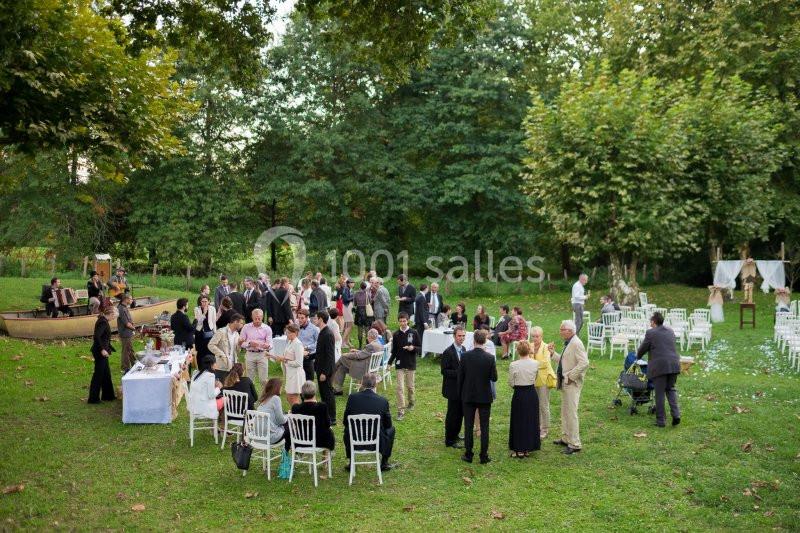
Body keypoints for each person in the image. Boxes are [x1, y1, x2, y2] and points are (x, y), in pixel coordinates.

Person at [549, 319, 589, 455]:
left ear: (570, 331)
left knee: (571, 413)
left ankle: (575, 443)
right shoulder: (569, 342)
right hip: (565, 382)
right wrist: (553, 354)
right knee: (565, 411)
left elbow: (584, 363)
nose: (560, 332)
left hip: (571, 383)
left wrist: (571, 376)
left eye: (562, 329)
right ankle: (566, 438)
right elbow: (565, 360)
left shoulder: (576, 343)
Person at [342, 373, 396, 472]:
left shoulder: (352, 398)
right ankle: (384, 462)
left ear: (362, 383)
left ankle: (351, 461)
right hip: (376, 441)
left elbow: (345, 421)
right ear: (375, 385)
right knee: (391, 430)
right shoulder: (382, 401)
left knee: (347, 429)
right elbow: (388, 425)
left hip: (355, 439)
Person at [458, 330, 497, 464]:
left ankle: (468, 454)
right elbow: (494, 378)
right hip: (484, 396)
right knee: (484, 427)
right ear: (484, 341)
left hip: (468, 395)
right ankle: (483, 455)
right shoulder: (490, 358)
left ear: (474, 341)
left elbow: (460, 378)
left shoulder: (465, 356)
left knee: (468, 426)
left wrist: (460, 394)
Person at [636, 312, 682, 428]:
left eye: (650, 322)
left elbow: (643, 348)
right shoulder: (670, 331)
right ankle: (676, 415)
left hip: (660, 366)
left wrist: (637, 357)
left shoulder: (651, 333)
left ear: (653, 322)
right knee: (671, 389)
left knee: (660, 393)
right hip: (674, 364)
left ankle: (661, 421)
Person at [508, 341, 541, 457]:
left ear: (517, 350)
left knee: (518, 420)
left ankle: (519, 448)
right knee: (530, 420)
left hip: (519, 394)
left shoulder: (513, 365)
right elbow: (535, 378)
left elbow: (511, 382)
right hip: (531, 393)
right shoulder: (536, 363)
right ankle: (528, 447)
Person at [388, 313, 421, 421]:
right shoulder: (396, 334)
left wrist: (413, 348)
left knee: (410, 387)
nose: (402, 323)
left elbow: (420, 348)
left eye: (404, 321)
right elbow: (394, 351)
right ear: (398, 322)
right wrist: (389, 363)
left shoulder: (414, 332)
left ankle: (411, 401)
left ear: (408, 321)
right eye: (400, 321)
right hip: (399, 364)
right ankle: (400, 410)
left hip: (410, 363)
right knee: (400, 388)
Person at [332, 328, 382, 394]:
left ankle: (332, 370)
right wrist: (357, 351)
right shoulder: (378, 344)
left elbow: (358, 356)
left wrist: (347, 354)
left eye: (367, 336)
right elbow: (366, 353)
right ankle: (338, 389)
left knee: (343, 357)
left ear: (370, 337)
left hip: (363, 368)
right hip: (369, 366)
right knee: (342, 367)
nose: (367, 338)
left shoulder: (371, 346)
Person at [290, 381, 335, 452]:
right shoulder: (322, 406)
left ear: (302, 394)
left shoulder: (295, 408)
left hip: (300, 441)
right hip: (319, 442)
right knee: (329, 432)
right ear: (315, 393)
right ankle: (325, 460)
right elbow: (328, 424)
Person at [441, 326, 467, 448]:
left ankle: (455, 434)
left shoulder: (464, 350)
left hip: (462, 389)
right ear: (454, 336)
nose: (461, 338)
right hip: (452, 389)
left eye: (463, 336)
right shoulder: (448, 352)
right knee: (452, 415)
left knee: (460, 413)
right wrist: (459, 373)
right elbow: (444, 371)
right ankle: (449, 439)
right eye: (459, 336)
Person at [530, 326, 557, 439]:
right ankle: (537, 426)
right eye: (533, 336)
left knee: (543, 405)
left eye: (537, 336)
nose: (535, 338)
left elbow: (545, 363)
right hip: (532, 379)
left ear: (541, 336)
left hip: (544, 379)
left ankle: (545, 428)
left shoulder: (546, 347)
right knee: (534, 404)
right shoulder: (529, 345)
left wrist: (531, 363)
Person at [88, 302, 117, 403]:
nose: (114, 319)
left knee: (106, 374)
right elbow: (97, 336)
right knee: (99, 374)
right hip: (100, 352)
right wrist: (102, 349)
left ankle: (108, 395)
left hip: (103, 350)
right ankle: (93, 398)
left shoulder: (103, 320)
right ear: (111, 314)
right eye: (114, 316)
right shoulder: (103, 322)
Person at [314, 310, 337, 425]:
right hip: (321, 368)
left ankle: (332, 418)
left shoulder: (327, 334)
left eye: (315, 318)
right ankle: (326, 415)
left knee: (328, 394)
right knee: (323, 393)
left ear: (321, 319)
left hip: (325, 370)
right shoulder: (322, 332)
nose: (314, 320)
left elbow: (329, 356)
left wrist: (324, 372)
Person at [239, 308, 272, 385]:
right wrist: (249, 344)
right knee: (249, 379)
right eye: (255, 318)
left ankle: (264, 396)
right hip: (250, 353)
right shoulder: (246, 327)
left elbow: (270, 344)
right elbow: (241, 343)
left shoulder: (267, 328)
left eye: (259, 318)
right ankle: (251, 396)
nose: (257, 320)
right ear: (252, 317)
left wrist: (267, 346)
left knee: (263, 380)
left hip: (262, 354)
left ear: (262, 317)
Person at [274, 323, 305, 405]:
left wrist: (286, 361)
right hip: (290, 373)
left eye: (288, 333)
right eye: (286, 332)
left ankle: (297, 414)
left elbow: (299, 363)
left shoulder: (298, 344)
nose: (286, 334)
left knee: (292, 398)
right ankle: (295, 413)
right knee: (289, 397)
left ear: (295, 333)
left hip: (295, 374)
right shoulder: (290, 342)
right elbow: (286, 356)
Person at [208, 313, 244, 377]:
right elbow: (211, 345)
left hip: (233, 367)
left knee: (230, 386)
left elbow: (237, 351)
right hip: (221, 367)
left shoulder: (237, 335)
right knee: (221, 386)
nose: (242, 325)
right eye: (241, 323)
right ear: (235, 322)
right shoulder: (221, 332)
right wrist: (222, 355)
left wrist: (239, 344)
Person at [256, 378, 288, 444]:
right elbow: (281, 420)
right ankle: (293, 450)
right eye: (281, 387)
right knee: (290, 425)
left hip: (257, 436)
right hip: (270, 437)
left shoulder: (264, 399)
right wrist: (288, 416)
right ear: (277, 388)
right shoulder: (275, 398)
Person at [296, 309, 319, 381]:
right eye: (299, 318)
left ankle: (309, 391)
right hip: (298, 355)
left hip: (309, 356)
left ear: (307, 318)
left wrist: (307, 347)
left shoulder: (314, 329)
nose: (300, 320)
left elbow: (318, 342)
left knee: (309, 378)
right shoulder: (296, 327)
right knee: (299, 377)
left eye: (302, 318)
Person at [116, 294, 136, 374]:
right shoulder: (121, 309)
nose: (132, 300)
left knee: (130, 349)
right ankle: (125, 368)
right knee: (126, 351)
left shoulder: (124, 307)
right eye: (131, 299)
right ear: (126, 299)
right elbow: (127, 323)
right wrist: (134, 329)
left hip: (128, 332)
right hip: (125, 333)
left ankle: (134, 364)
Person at [193, 295, 217, 359]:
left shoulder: (212, 309)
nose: (204, 303)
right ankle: (201, 365)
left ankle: (210, 364)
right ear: (200, 302)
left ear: (209, 301)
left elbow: (214, 322)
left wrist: (215, 332)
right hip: (200, 331)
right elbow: (198, 322)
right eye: (202, 301)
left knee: (209, 349)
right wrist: (204, 313)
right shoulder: (197, 309)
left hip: (209, 331)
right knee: (201, 350)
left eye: (206, 301)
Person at [353, 281, 370, 348]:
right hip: (366, 312)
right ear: (366, 287)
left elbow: (355, 303)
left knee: (359, 330)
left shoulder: (356, 293)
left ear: (360, 286)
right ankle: (367, 345)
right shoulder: (367, 294)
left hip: (358, 312)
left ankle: (360, 346)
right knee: (366, 330)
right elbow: (370, 301)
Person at [341, 278, 355, 349]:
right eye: (352, 283)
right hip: (346, 308)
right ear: (349, 283)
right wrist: (353, 297)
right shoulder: (346, 289)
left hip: (348, 307)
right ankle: (343, 342)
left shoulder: (348, 289)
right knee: (350, 324)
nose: (353, 284)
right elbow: (346, 299)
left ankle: (347, 341)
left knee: (348, 325)